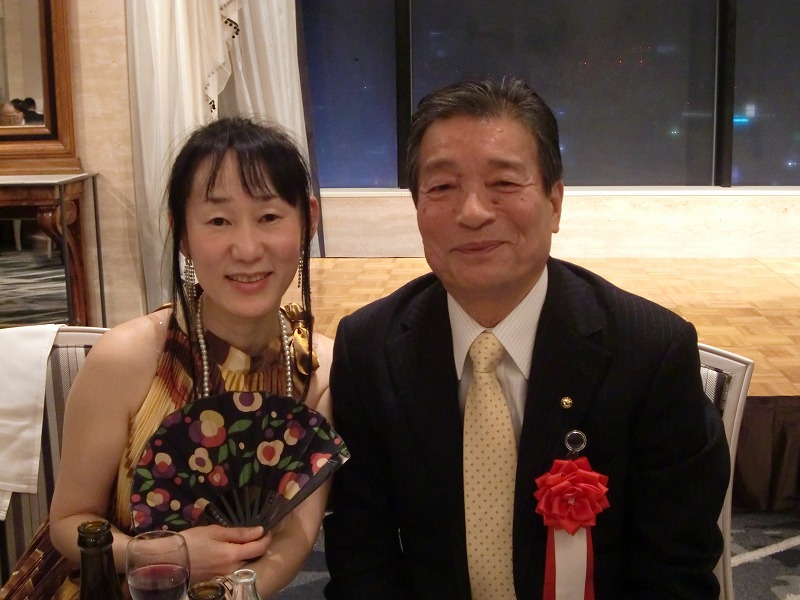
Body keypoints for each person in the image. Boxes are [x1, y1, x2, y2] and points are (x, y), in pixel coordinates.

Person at [323, 78, 730, 599]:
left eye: (504, 183)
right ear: (417, 207)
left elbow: (674, 573)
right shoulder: (369, 348)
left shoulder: (649, 350)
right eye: (442, 187)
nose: (473, 211)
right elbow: (362, 558)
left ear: (554, 202)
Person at [50, 117, 331, 598]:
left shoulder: (317, 370)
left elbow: (295, 537)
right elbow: (68, 523)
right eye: (218, 221)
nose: (247, 249)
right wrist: (163, 554)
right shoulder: (127, 359)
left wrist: (227, 594)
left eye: (269, 217)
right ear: (181, 233)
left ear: (308, 220)